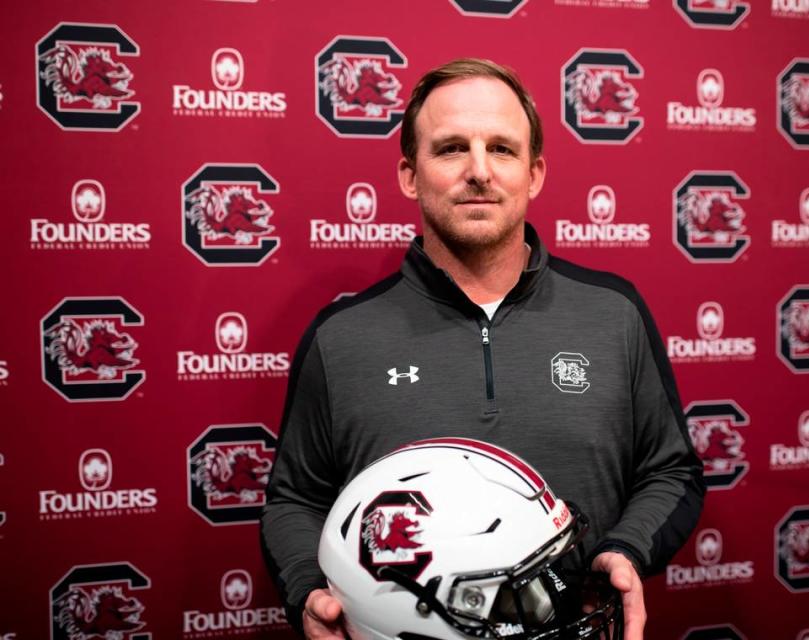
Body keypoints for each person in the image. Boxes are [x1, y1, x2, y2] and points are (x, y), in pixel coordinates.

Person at [261, 58, 705, 640]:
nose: (479, 171)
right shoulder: (341, 337)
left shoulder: (613, 312)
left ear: (535, 173)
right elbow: (294, 500)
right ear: (409, 175)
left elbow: (672, 471)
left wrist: (626, 549)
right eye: (450, 149)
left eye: (501, 148)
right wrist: (306, 591)